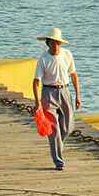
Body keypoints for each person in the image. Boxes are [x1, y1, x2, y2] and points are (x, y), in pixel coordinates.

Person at [32, 27, 81, 171]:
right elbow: (36, 81)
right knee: (53, 129)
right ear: (48, 43)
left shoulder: (67, 55)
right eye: (53, 43)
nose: (56, 45)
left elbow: (73, 75)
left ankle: (58, 145)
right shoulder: (43, 59)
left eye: (58, 43)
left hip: (65, 91)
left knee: (67, 127)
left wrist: (78, 95)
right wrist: (37, 102)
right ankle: (58, 161)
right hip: (48, 93)